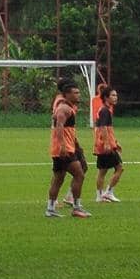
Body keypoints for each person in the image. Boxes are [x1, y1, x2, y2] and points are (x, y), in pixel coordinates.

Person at [46, 79, 91, 219]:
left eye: (78, 92)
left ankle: (50, 209)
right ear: (66, 94)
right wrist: (63, 146)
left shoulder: (68, 107)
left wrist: (75, 143)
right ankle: (76, 207)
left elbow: (67, 130)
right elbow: (59, 126)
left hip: (64, 148)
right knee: (79, 174)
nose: (78, 95)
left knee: (58, 179)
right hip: (64, 150)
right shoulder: (64, 108)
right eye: (75, 93)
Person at [94, 85, 124, 203]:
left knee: (103, 170)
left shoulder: (105, 110)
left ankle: (100, 196)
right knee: (119, 168)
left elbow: (107, 129)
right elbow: (103, 127)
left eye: (116, 95)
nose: (116, 97)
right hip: (105, 146)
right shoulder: (105, 110)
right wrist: (107, 144)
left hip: (104, 145)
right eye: (113, 95)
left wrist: (115, 142)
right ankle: (108, 192)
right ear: (106, 97)